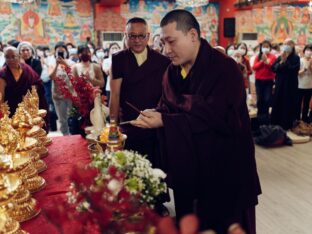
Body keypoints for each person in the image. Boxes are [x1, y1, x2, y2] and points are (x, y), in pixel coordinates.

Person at [131, 10, 261, 233]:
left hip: (225, 173)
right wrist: (156, 113)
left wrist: (166, 120)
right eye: (163, 43)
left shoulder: (225, 69)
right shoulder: (172, 72)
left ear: (193, 35)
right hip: (188, 173)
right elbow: (169, 107)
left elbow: (215, 118)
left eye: (171, 42)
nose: (166, 50)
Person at [110, 17, 170, 166]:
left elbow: (167, 95)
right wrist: (113, 127)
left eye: (141, 36)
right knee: (129, 170)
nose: (137, 40)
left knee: (154, 169)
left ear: (148, 36)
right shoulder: (118, 59)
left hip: (154, 125)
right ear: (126, 36)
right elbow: (115, 94)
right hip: (129, 124)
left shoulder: (162, 61)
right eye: (132, 36)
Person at [0, 46, 47, 117]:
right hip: (11, 110)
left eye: (13, 57)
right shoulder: (3, 73)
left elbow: (38, 83)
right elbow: (1, 97)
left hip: (28, 108)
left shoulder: (26, 69)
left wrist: (30, 94)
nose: (10, 60)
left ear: (19, 56)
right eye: (7, 57)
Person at [271, 39, 300, 130]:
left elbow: (293, 70)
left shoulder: (296, 57)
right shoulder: (280, 57)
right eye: (285, 44)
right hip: (280, 84)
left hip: (290, 85)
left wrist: (286, 62)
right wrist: (281, 62)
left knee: (288, 103)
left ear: (293, 45)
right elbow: (273, 68)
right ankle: (276, 123)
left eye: (289, 44)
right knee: (278, 102)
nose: (287, 45)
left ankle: (287, 124)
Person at [49, 41, 74, 135]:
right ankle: (65, 136)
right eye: (58, 51)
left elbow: (74, 74)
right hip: (58, 95)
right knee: (62, 119)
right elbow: (51, 77)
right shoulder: (52, 63)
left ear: (66, 52)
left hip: (70, 94)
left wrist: (65, 63)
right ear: (55, 53)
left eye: (62, 51)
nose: (60, 53)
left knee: (71, 117)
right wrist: (56, 65)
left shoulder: (71, 62)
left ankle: (72, 135)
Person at [252, 40, 277, 124]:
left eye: (267, 46)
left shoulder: (273, 57)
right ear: (261, 48)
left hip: (268, 81)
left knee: (267, 99)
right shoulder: (258, 56)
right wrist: (262, 61)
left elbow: (273, 68)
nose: (265, 48)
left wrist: (267, 62)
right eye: (263, 46)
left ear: (270, 48)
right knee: (260, 99)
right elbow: (254, 67)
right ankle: (259, 117)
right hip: (259, 81)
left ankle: (265, 117)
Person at [297, 44, 312, 123]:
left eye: (310, 50)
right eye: (307, 50)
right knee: (298, 103)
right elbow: (297, 73)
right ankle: (297, 120)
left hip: (309, 86)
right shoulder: (300, 60)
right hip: (300, 85)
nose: (309, 52)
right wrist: (305, 68)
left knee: (306, 105)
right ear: (304, 51)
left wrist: (310, 66)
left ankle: (304, 120)